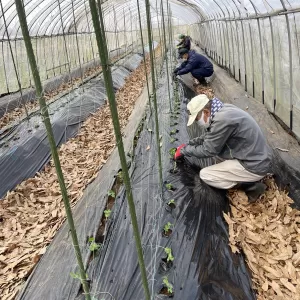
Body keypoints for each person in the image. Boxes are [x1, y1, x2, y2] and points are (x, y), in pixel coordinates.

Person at [174, 94, 272, 202]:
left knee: (205, 175)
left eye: (197, 119)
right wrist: (189, 143)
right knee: (217, 158)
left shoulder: (222, 120)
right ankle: (244, 177)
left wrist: (184, 151)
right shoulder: (222, 109)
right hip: (256, 156)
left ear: (206, 112)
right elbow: (209, 136)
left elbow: (208, 150)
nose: (198, 123)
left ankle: (249, 185)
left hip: (254, 165)